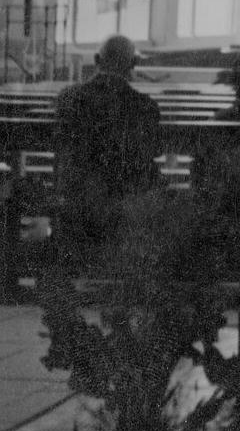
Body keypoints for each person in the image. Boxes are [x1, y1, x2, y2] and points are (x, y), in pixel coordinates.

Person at [53, 35, 162, 263]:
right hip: (130, 199)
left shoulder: (68, 99)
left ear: (96, 60)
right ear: (134, 64)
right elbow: (155, 151)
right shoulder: (145, 107)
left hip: (81, 195)